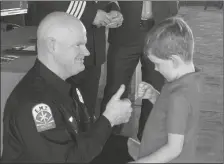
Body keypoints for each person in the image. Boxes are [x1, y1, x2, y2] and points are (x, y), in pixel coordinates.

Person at [2, 12, 133, 163]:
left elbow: (85, 140)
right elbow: (67, 160)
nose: (87, 52)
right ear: (52, 45)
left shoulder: (68, 85)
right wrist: (109, 119)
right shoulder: (35, 103)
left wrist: (127, 145)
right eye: (78, 45)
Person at [30, 1, 123, 120]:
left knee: (86, 115)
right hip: (62, 49)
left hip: (93, 51)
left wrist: (113, 10)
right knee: (57, 116)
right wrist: (90, 13)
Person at [100, 1, 179, 138]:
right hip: (124, 31)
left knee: (155, 88)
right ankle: (107, 138)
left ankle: (148, 140)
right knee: (116, 88)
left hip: (159, 32)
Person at [129, 17, 202, 163]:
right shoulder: (189, 80)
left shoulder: (179, 97)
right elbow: (175, 112)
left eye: (157, 64)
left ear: (174, 61)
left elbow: (173, 149)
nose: (155, 68)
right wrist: (154, 96)